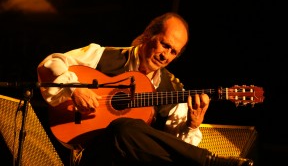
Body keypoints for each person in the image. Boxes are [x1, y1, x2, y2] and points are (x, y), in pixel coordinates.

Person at [37, 12, 253, 166]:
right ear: (149, 34)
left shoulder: (173, 89)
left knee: (127, 129)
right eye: (164, 44)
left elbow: (173, 151)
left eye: (173, 52)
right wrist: (75, 90)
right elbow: (50, 63)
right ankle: (210, 161)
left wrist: (193, 125)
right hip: (92, 154)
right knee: (122, 127)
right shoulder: (103, 55)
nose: (165, 55)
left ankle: (207, 161)